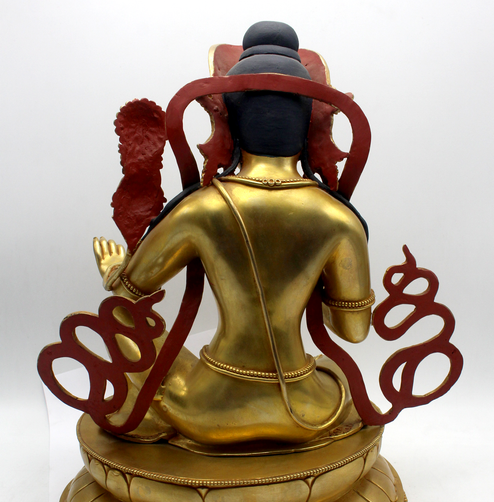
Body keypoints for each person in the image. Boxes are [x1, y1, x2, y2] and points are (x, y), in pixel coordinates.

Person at [94, 22, 373, 446]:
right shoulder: (340, 219)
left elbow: (131, 294)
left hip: (210, 410)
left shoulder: (202, 207)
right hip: (308, 411)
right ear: (308, 122)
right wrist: (311, 279)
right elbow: (353, 332)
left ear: (230, 119)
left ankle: (159, 421)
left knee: (116, 313)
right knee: (335, 374)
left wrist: (115, 270)